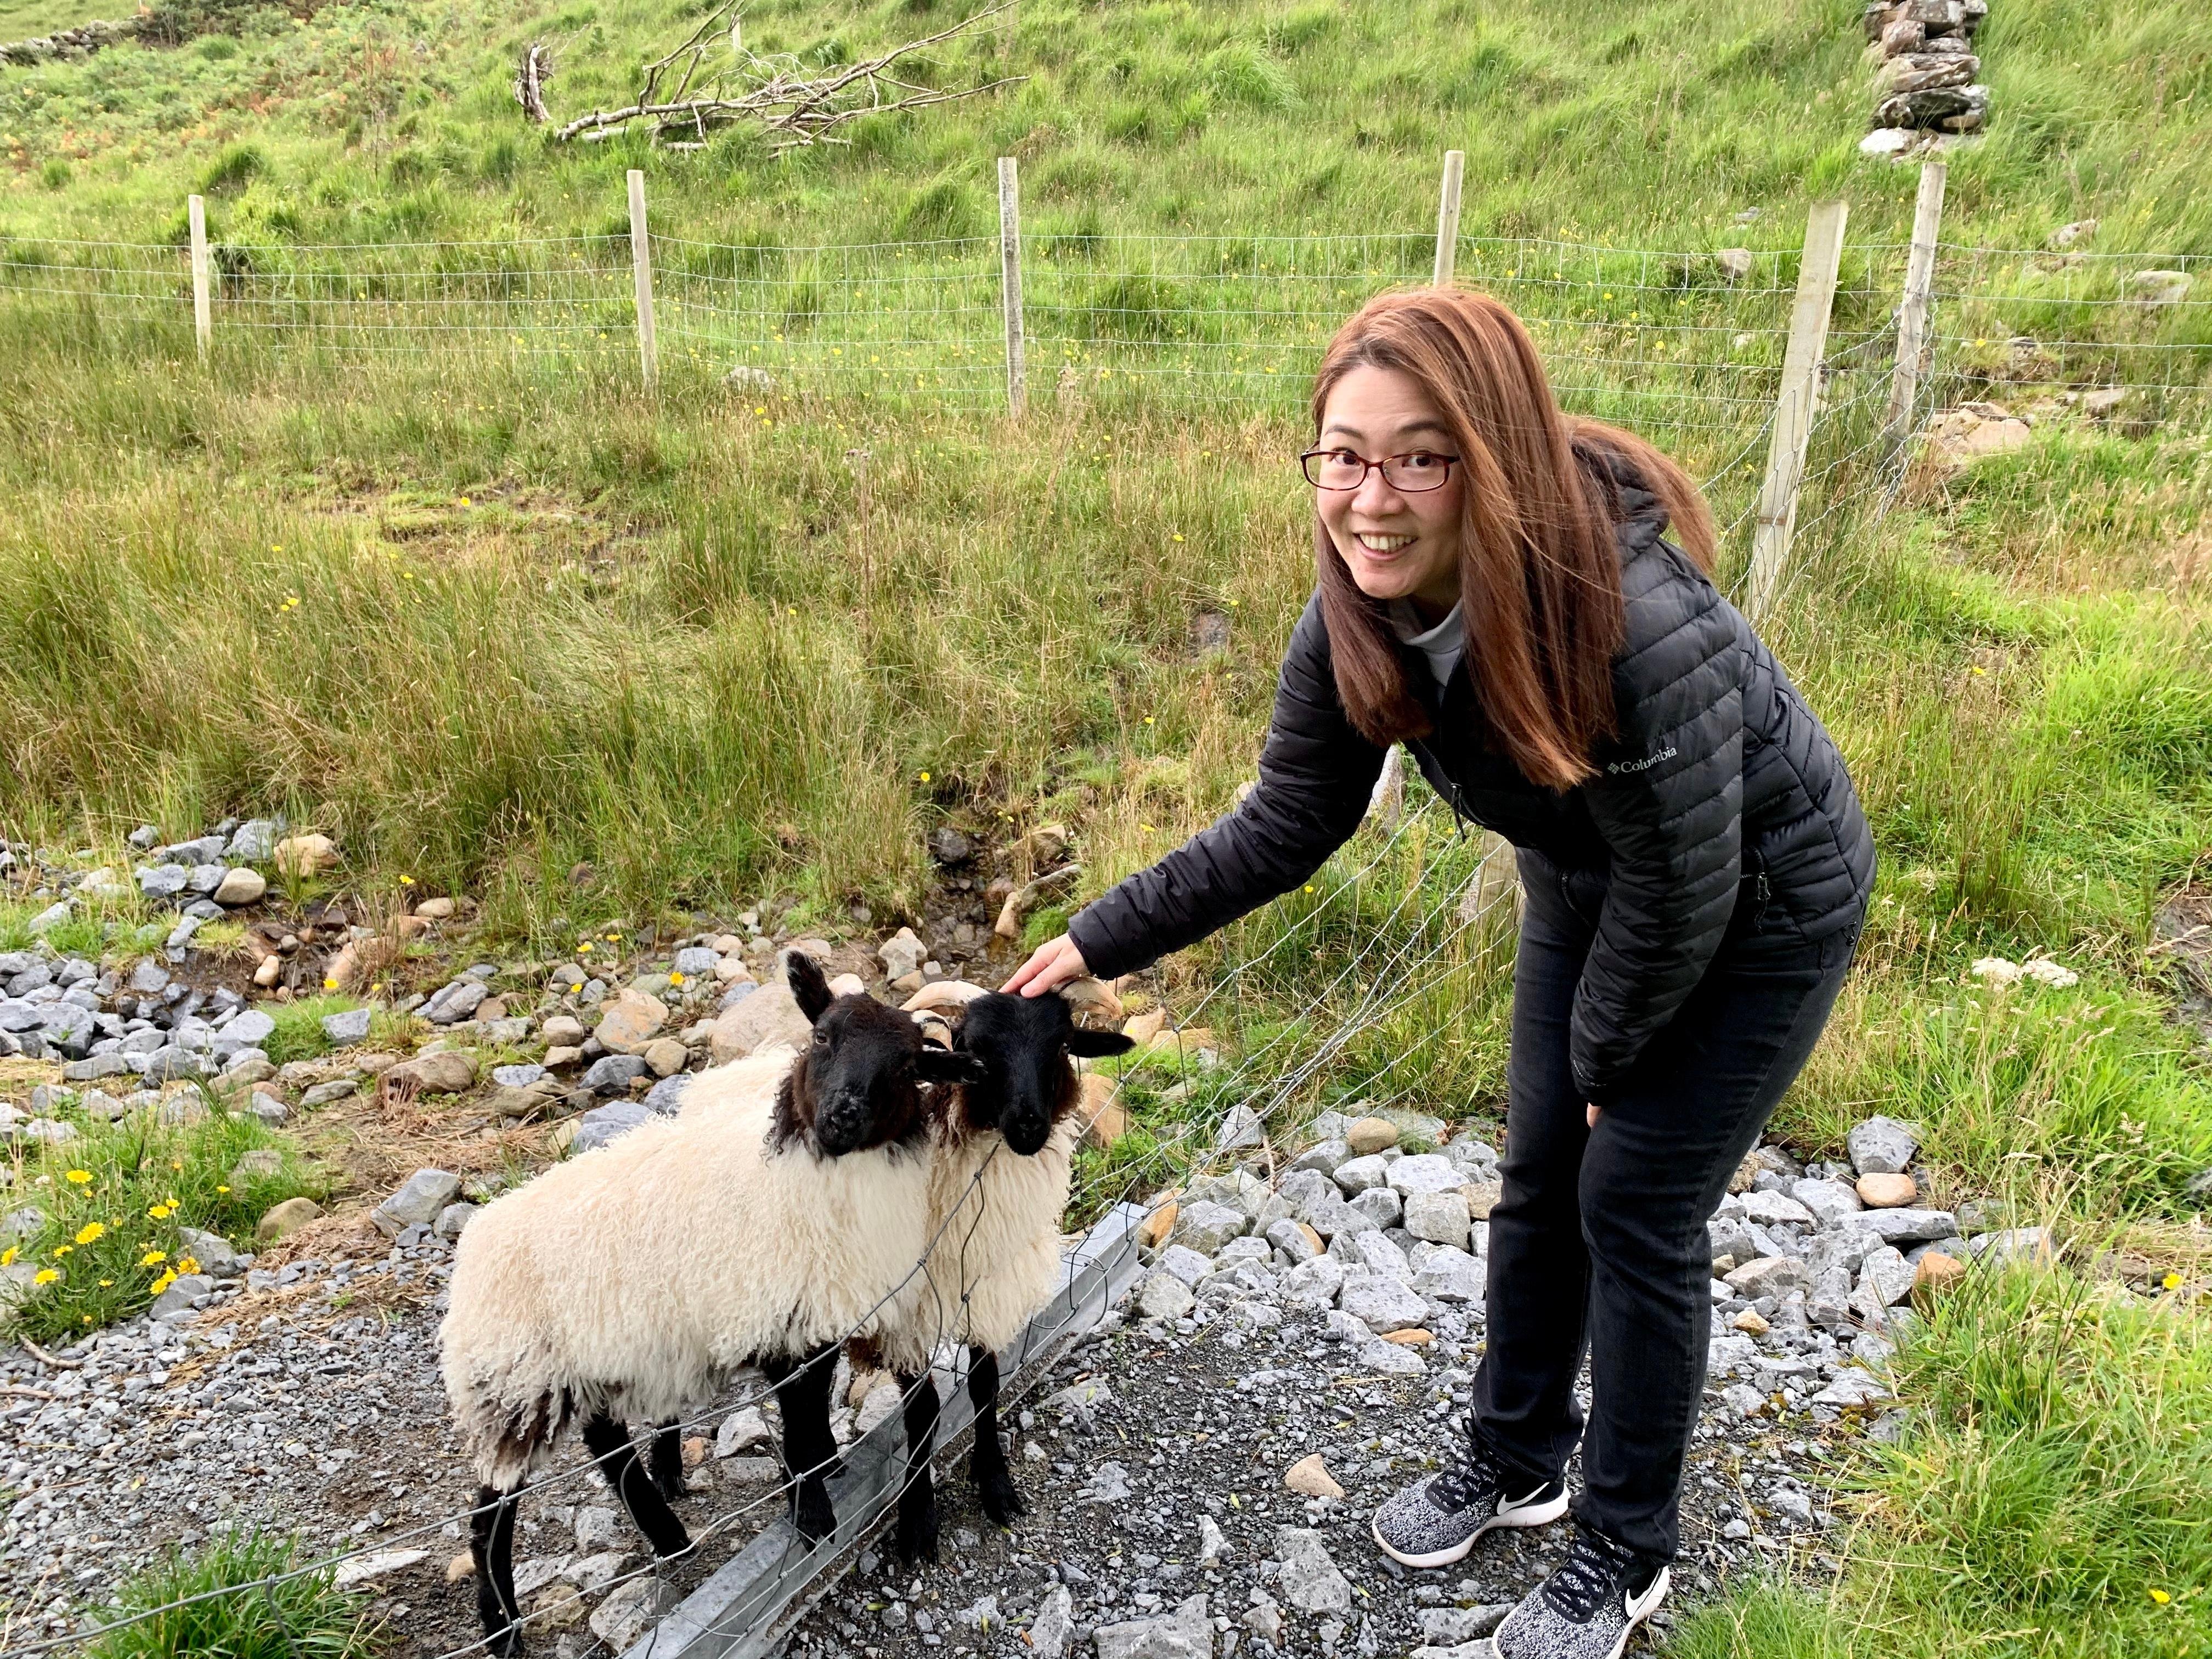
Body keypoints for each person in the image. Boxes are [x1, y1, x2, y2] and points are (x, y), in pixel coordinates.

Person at [1004, 286, 1874, 1658]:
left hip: (1762, 900)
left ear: (1495, 457)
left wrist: (1608, 1068)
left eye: (1421, 455)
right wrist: (1103, 935)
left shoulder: (1627, 620)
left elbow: (1689, 881)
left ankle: (1622, 1550)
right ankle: (1517, 1460)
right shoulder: (1363, 604)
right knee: (1539, 1179)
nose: (1372, 498)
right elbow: (1290, 817)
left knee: (1633, 1200)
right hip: (1600, 874)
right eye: (1344, 455)